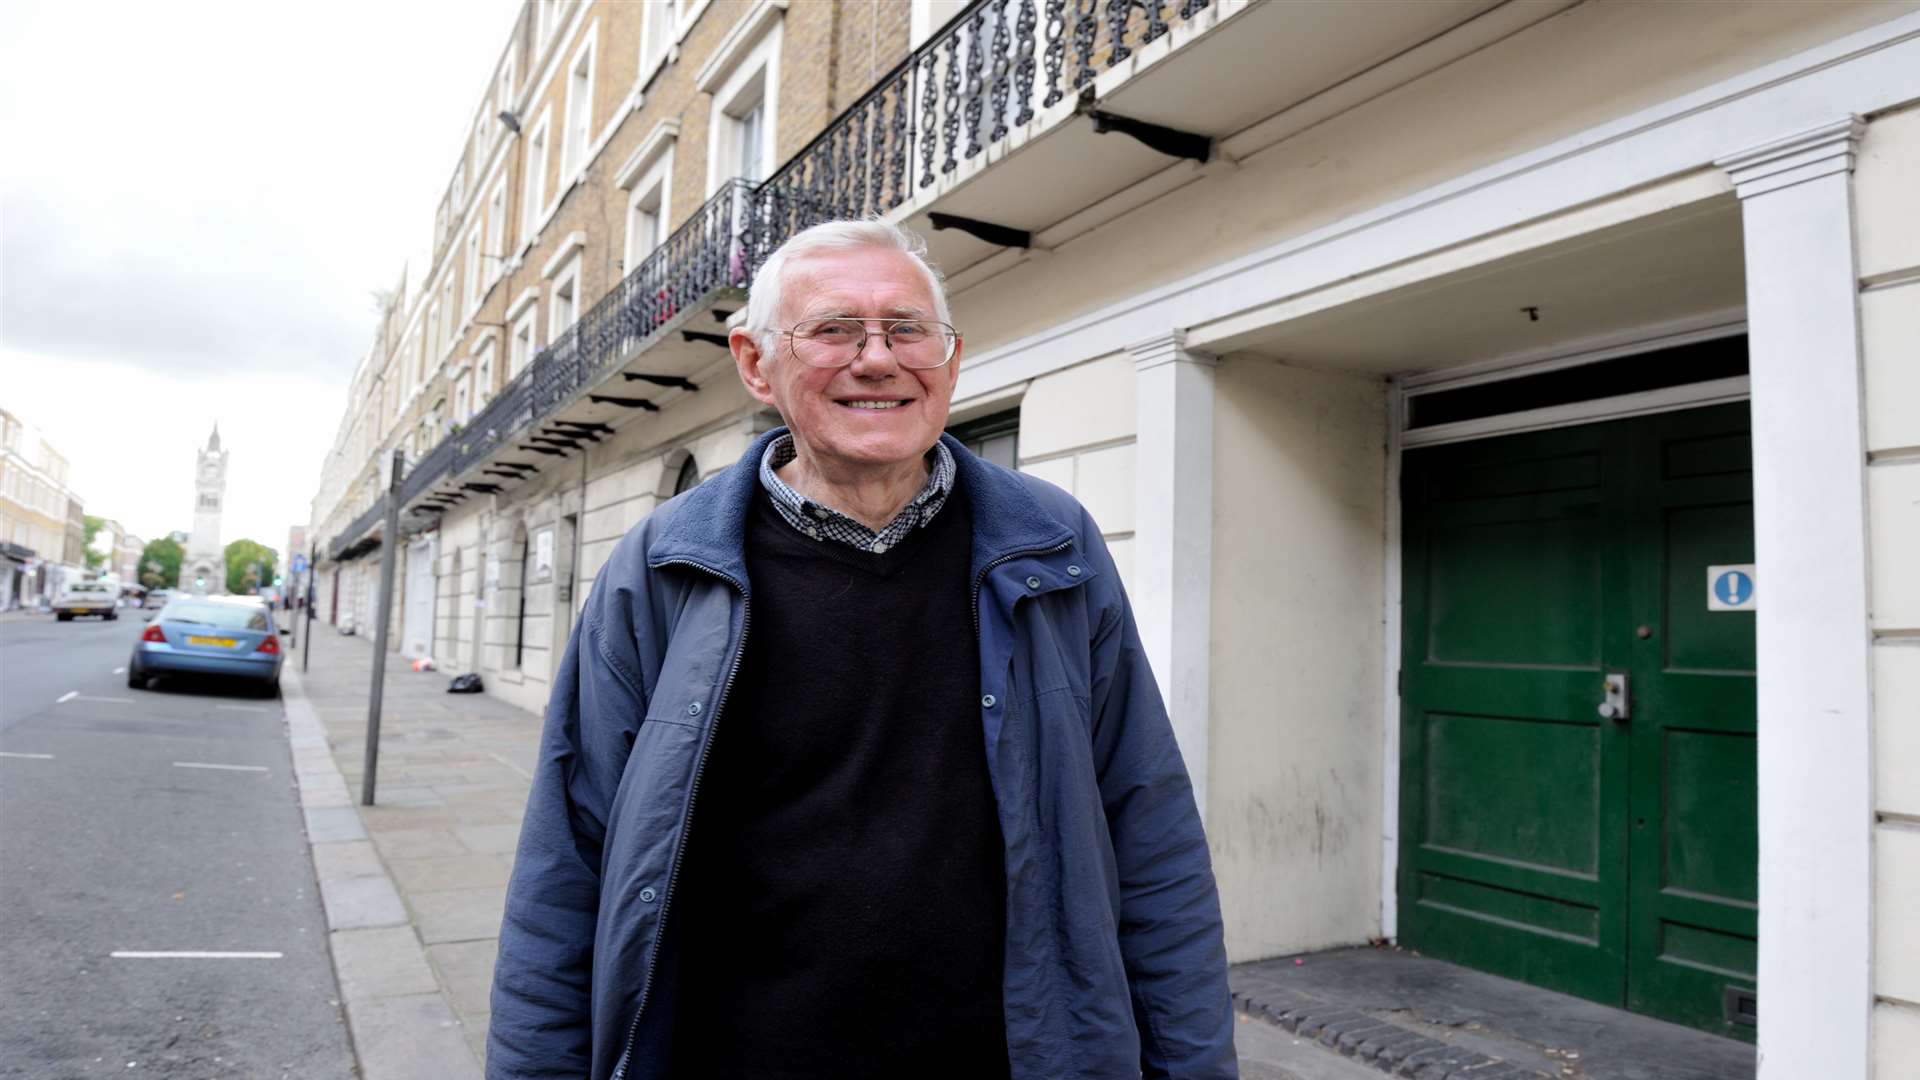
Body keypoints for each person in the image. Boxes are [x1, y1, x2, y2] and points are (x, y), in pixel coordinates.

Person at [488, 220, 1235, 1080]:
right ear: (755, 363)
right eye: (834, 328)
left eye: (907, 329)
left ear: (950, 361)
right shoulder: (662, 569)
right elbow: (565, 865)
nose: (877, 359)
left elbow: (1150, 832)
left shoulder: (1050, 546)